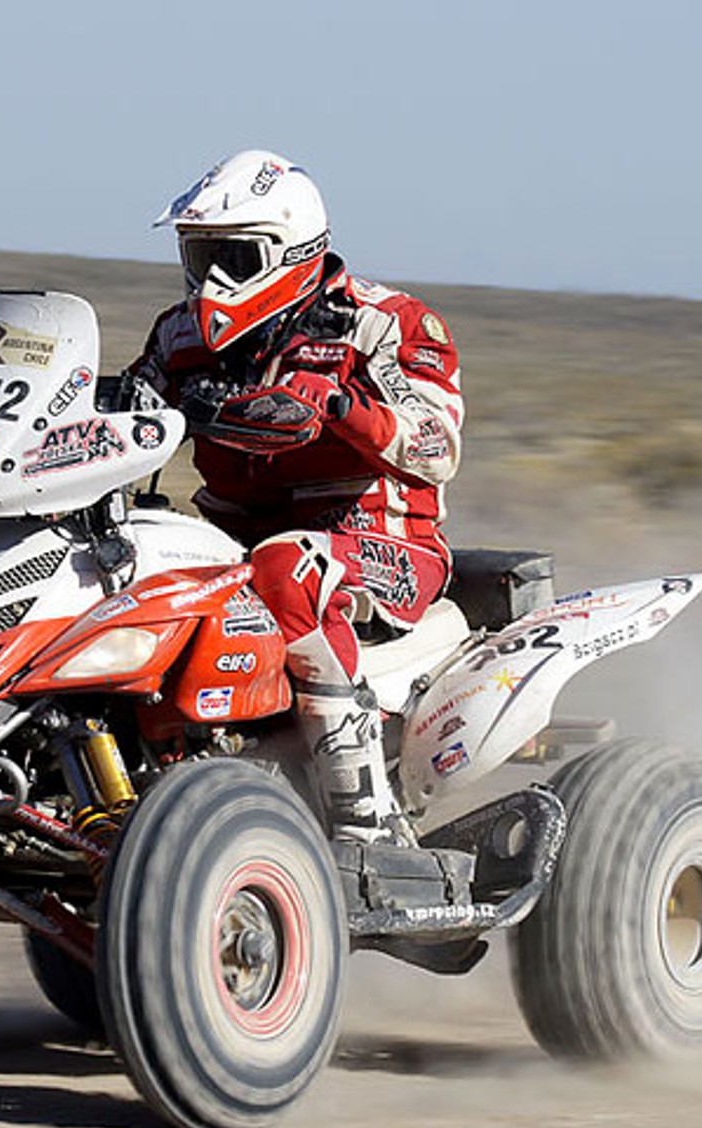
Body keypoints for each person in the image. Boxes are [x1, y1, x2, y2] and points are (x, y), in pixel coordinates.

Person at [128, 150, 464, 844]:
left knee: (287, 570)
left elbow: (436, 447)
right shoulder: (182, 335)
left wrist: (341, 404)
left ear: (292, 253)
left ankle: (362, 817)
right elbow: (130, 406)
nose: (213, 279)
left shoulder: (382, 325)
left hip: (381, 544)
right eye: (200, 257)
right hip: (232, 546)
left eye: (235, 258)